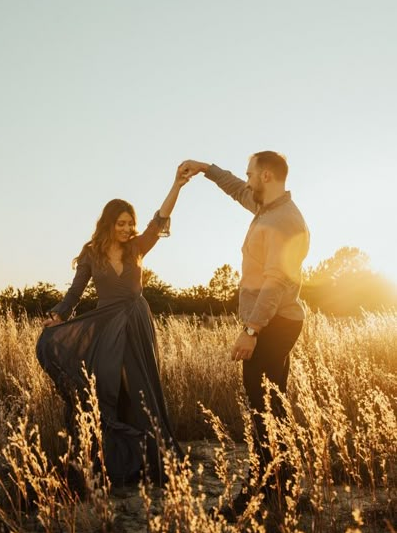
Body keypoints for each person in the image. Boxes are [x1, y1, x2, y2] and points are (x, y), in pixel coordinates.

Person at [36, 167, 189, 486]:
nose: (127, 228)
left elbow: (160, 218)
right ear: (109, 223)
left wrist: (176, 184)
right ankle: (107, 458)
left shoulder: (137, 247)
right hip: (106, 325)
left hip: (136, 321)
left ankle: (147, 460)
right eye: (121, 223)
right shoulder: (91, 252)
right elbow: (76, 291)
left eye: (130, 223)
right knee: (106, 385)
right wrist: (60, 314)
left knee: (138, 386)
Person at [180, 152, 310, 514]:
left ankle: (258, 491)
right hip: (274, 321)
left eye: (251, 172)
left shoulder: (284, 221)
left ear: (266, 176)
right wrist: (206, 169)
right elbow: (236, 189)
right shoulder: (266, 207)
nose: (246, 178)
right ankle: (282, 489)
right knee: (273, 409)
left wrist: (251, 329)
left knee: (261, 411)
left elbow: (275, 282)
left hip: (273, 323)